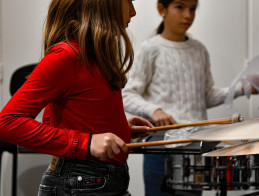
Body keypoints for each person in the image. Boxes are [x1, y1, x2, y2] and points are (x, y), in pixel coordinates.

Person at [0, 0, 154, 195]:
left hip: (102, 181)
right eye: (128, 1)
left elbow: (65, 118)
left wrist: (119, 128)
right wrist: (86, 143)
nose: (133, 12)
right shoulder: (67, 56)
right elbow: (6, 123)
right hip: (80, 182)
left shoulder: (94, 56)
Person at [122, 0, 258, 195]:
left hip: (196, 148)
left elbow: (206, 96)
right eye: (180, 7)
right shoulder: (150, 49)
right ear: (162, 9)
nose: (188, 15)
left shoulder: (199, 50)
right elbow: (127, 94)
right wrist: (155, 110)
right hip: (162, 148)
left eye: (193, 9)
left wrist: (241, 88)